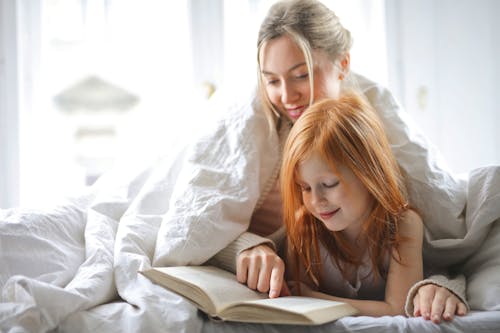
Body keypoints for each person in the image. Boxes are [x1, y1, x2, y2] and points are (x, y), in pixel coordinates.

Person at [207, 0, 468, 323]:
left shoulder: (396, 213)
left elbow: (450, 241)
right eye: (271, 81)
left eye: (301, 74)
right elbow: (205, 225)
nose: (286, 97)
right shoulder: (304, 221)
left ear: (343, 64)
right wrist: (248, 249)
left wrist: (443, 281)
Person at [280, 94, 423, 316]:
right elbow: (295, 295)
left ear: (368, 173)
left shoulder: (404, 225)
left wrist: (313, 299)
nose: (316, 201)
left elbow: (399, 309)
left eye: (329, 184)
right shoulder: (303, 228)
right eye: (305, 188)